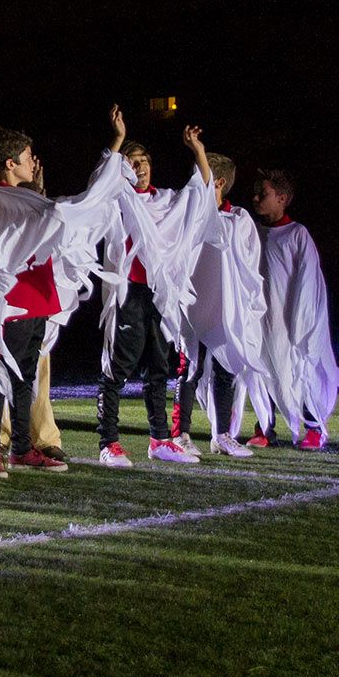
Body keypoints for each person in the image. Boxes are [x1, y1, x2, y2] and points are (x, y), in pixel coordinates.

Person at [0, 109, 129, 478]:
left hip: (37, 296)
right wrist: (112, 153)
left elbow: (60, 212)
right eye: (28, 157)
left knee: (25, 377)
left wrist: (114, 149)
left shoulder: (22, 196)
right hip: (15, 301)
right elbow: (63, 211)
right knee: (0, 374)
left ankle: (21, 448)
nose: (34, 163)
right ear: (10, 163)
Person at [95, 127, 214, 467]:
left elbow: (201, 191)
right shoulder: (117, 200)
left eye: (144, 161)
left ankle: (160, 440)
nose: (140, 168)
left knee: (158, 369)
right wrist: (117, 139)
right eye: (132, 163)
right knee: (117, 368)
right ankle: (108, 443)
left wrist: (198, 150)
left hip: (160, 295)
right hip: (128, 293)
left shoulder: (166, 200)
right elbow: (99, 180)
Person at [174, 153, 269, 457]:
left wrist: (246, 306)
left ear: (219, 182)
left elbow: (249, 263)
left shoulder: (238, 219)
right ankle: (180, 434)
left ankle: (222, 435)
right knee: (189, 368)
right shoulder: (189, 214)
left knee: (226, 370)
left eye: (201, 175)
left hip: (225, 310)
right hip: (193, 308)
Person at [250, 169, 339, 449]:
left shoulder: (297, 234)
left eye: (263, 194)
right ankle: (264, 428)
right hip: (261, 319)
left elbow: (308, 279)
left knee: (300, 370)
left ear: (282, 198)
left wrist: (301, 320)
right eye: (256, 193)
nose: (256, 198)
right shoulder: (253, 231)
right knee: (264, 371)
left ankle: (314, 427)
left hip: (289, 319)